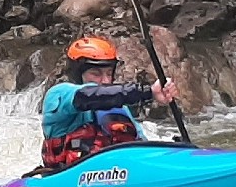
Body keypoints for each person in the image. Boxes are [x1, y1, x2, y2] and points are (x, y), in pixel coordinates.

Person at [40, 36, 179, 172]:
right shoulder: (59, 94)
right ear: (77, 75)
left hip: (119, 174)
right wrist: (148, 91)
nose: (106, 80)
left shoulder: (119, 108)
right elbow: (88, 96)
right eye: (96, 74)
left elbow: (142, 146)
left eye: (109, 73)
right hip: (68, 178)